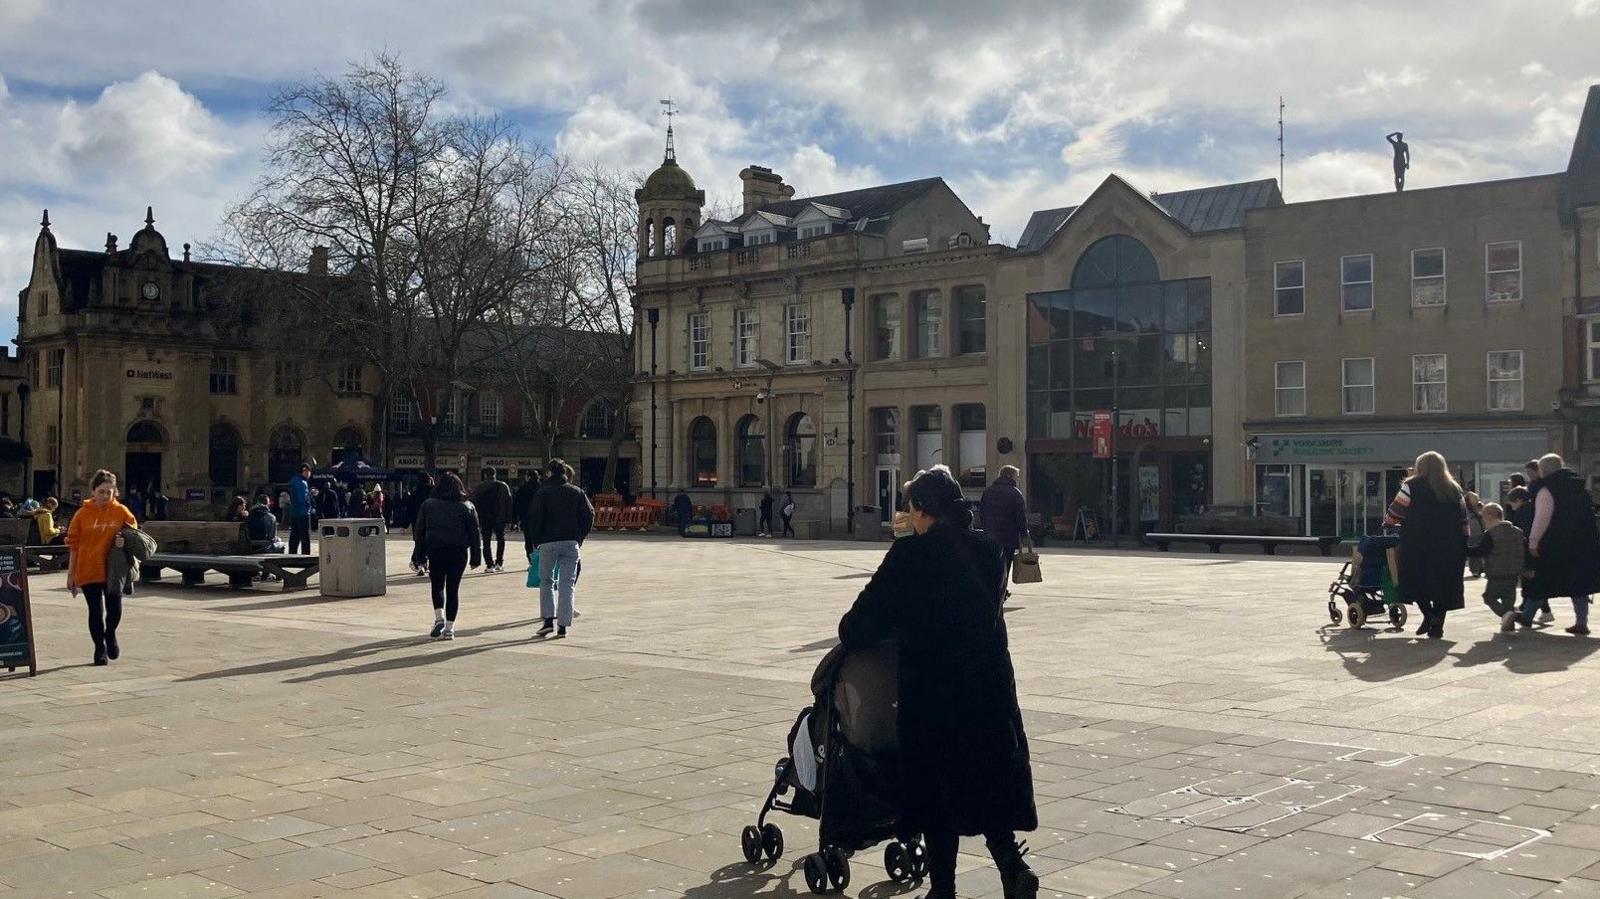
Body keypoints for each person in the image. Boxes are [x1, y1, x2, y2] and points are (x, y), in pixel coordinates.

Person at [837, 465, 1038, 899]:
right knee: (985, 778)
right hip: (988, 689)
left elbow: (858, 625)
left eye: (910, 509)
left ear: (923, 512)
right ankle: (1012, 867)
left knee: (936, 789)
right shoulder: (989, 552)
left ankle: (943, 888)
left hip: (935, 693)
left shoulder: (909, 557)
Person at [1386, 451, 1468, 639]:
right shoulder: (1455, 488)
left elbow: (1395, 512)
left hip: (1417, 544)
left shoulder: (1411, 486)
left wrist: (1388, 523)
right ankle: (1437, 624)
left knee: (1416, 580)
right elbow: (1464, 519)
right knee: (1443, 584)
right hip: (1449, 545)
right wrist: (1464, 541)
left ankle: (1428, 615)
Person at [64, 469, 139, 666]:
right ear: (93, 491)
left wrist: (124, 540)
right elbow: (74, 545)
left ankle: (110, 633)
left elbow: (135, 535)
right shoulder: (81, 514)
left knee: (115, 608)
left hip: (114, 569)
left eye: (109, 492)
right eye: (102, 491)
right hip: (88, 567)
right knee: (95, 611)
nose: (106, 496)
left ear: (115, 492)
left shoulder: (121, 511)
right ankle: (99, 648)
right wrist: (71, 574)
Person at [1526, 453, 1600, 636]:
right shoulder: (1579, 487)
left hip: (1555, 543)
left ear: (1543, 470)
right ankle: (1581, 622)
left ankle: (1527, 615)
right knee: (1579, 583)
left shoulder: (1546, 489)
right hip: (1582, 542)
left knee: (1542, 579)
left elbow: (1542, 518)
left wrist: (1533, 542)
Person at [526, 459, 594, 638]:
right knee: (567, 584)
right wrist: (580, 536)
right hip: (571, 542)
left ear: (549, 473)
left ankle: (548, 621)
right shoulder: (577, 492)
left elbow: (534, 517)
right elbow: (589, 514)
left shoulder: (542, 493)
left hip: (548, 541)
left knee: (546, 581)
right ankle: (563, 625)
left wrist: (536, 539)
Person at [412, 472, 481, 641]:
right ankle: (449, 629)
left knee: (437, 586)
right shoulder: (467, 506)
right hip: (458, 552)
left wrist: (418, 555)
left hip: (436, 550)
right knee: (453, 589)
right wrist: (476, 557)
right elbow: (474, 534)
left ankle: (439, 617)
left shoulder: (428, 505)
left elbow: (419, 532)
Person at [1464, 502, 1527, 633]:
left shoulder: (1491, 534)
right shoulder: (1517, 532)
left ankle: (1507, 616)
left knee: (1489, 597)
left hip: (1497, 572)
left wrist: (1463, 550)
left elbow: (1481, 551)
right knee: (1508, 600)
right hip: (1514, 573)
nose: (1483, 519)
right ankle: (1508, 627)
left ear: (1490, 516)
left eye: (1484, 516)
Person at [981, 465, 1029, 587]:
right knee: (1005, 567)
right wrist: (1024, 534)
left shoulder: (988, 491)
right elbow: (1021, 517)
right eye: (1016, 476)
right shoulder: (1015, 493)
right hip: (1008, 537)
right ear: (1010, 476)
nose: (1017, 479)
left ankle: (992, 589)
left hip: (990, 536)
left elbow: (982, 513)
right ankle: (1001, 592)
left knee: (992, 566)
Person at [472, 468, 514, 572]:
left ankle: (489, 565)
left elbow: (474, 503)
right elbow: (509, 503)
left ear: (485, 475)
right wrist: (509, 519)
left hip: (485, 518)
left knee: (486, 541)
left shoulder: (479, 487)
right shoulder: (503, 486)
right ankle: (499, 562)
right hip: (500, 517)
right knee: (501, 539)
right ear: (495, 474)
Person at [288, 464, 313, 555]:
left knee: (294, 536)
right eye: (307, 471)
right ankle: (306, 557)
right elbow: (302, 498)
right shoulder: (302, 482)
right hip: (303, 512)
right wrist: (309, 502)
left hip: (294, 512)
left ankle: (291, 555)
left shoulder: (294, 480)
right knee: (305, 537)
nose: (308, 473)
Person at [1464, 492, 1485, 579]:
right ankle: (1475, 569)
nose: (1476, 499)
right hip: (1472, 533)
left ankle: (1480, 567)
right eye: (1474, 498)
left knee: (1481, 551)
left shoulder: (1480, 507)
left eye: (1477, 498)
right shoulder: (1466, 509)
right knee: (1473, 552)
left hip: (1480, 532)